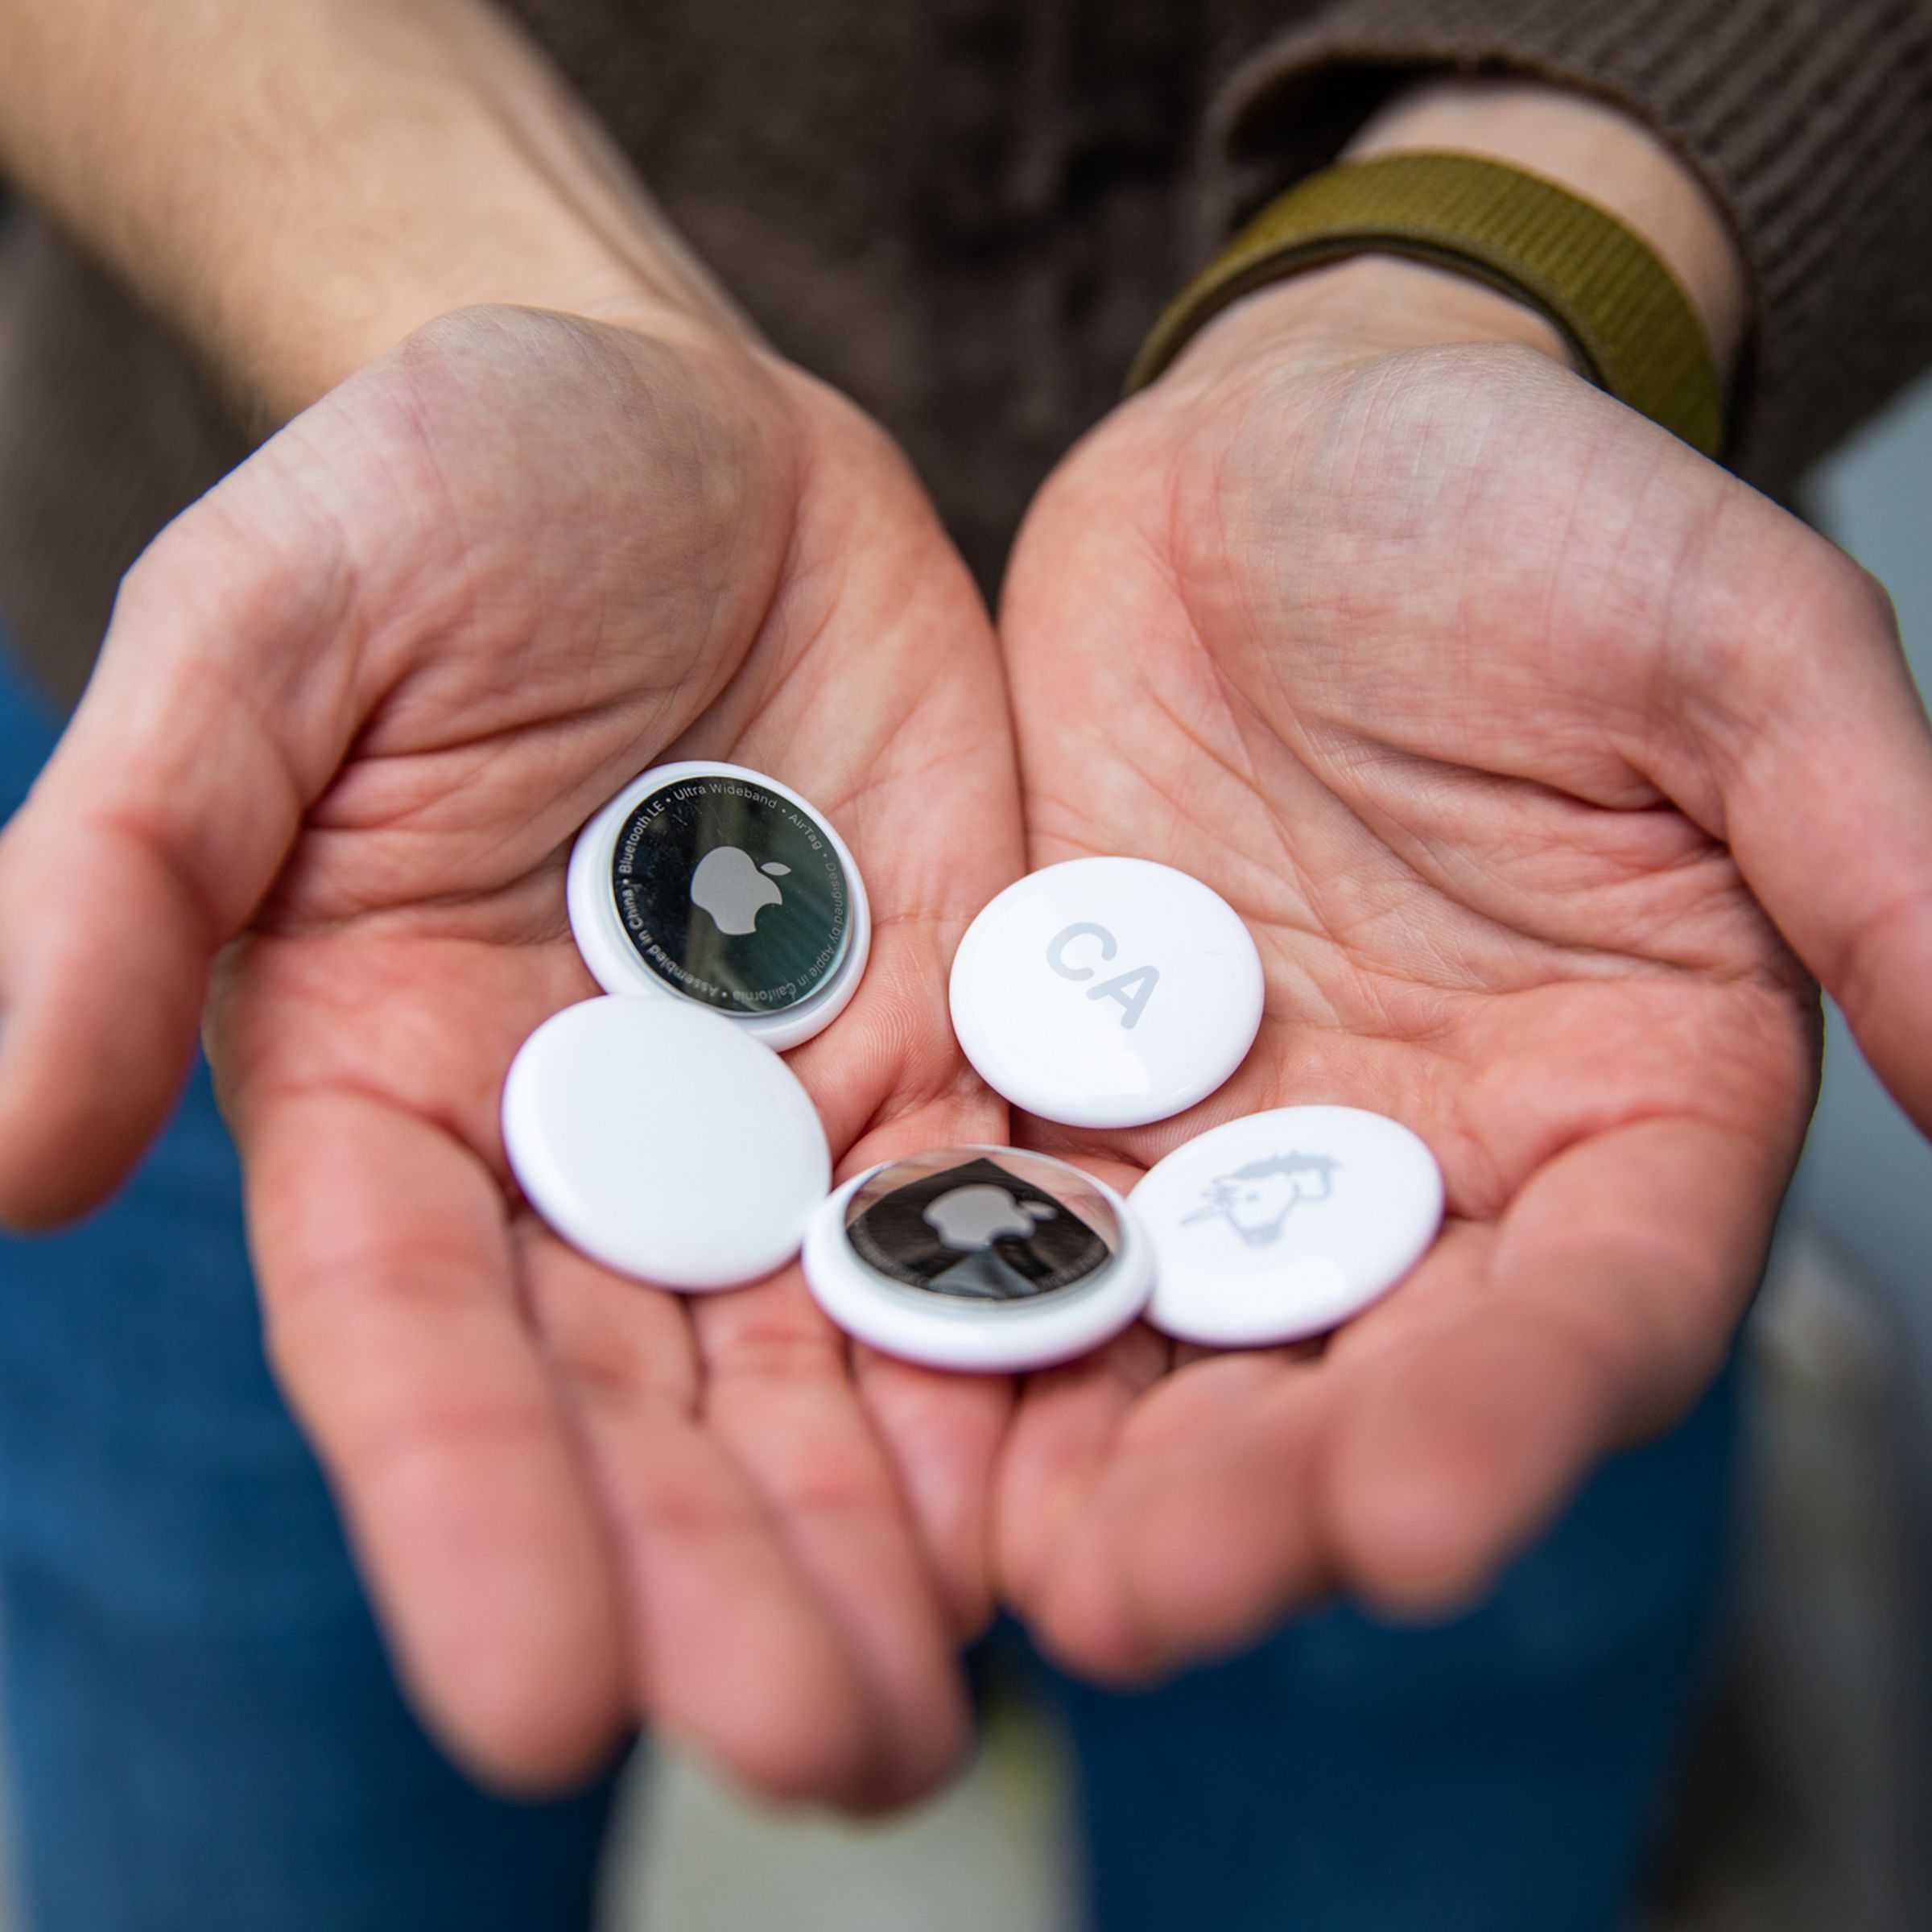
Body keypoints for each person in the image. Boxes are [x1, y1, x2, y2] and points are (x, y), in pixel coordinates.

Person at [0, 2, 1927, 1926]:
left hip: (1485, 916)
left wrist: (1502, 255)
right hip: (420, 843)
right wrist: (459, 290)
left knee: (1422, 1726)